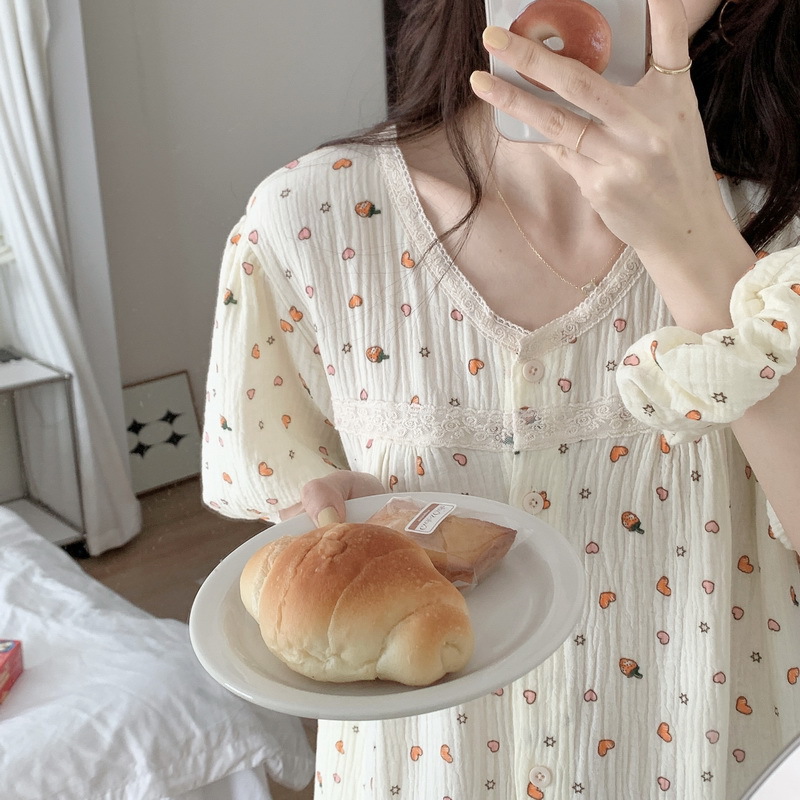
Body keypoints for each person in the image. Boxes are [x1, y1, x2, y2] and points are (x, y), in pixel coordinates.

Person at [202, 0, 800, 796]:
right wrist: (347, 525)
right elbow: (291, 518)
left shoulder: (784, 235)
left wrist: (694, 245)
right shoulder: (307, 221)